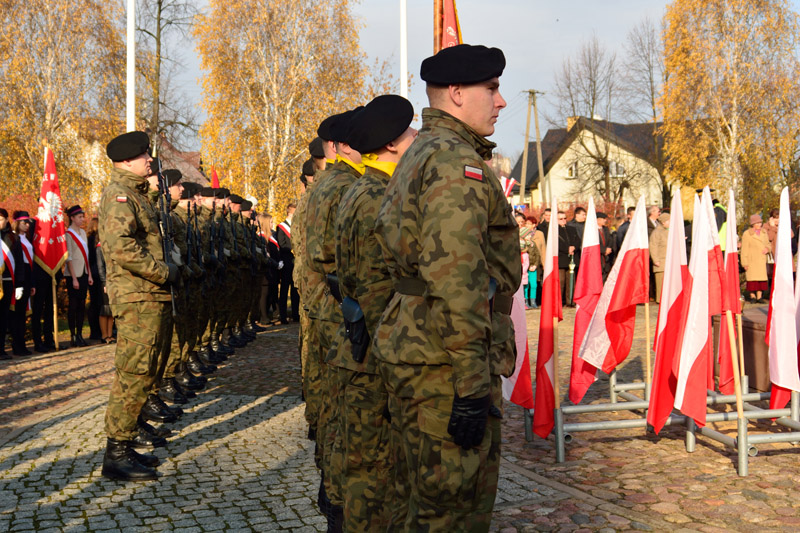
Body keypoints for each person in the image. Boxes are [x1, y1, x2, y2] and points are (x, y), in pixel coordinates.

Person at [373, 44, 520, 530]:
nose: (501, 102)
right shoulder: (456, 162)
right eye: (492, 89)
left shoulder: (422, 153)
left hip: (420, 350)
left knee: (417, 497)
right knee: (453, 508)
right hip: (444, 361)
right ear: (456, 93)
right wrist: (472, 386)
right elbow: (456, 280)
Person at [333, 94, 417, 530]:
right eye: (409, 132)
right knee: (375, 469)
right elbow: (376, 286)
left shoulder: (360, 188)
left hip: (361, 341)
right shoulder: (379, 197)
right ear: (389, 145)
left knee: (365, 463)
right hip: (377, 352)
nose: (417, 136)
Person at [99, 130, 179, 481]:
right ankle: (115, 452)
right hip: (136, 296)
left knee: (147, 370)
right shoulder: (119, 195)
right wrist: (162, 272)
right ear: (127, 160)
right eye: (145, 155)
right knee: (133, 373)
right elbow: (120, 247)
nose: (150, 160)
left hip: (149, 295)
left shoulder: (136, 194)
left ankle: (127, 442)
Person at [303, 107, 364, 531]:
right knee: (345, 409)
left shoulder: (336, 184)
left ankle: (334, 489)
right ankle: (338, 499)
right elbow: (331, 258)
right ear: (339, 147)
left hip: (329, 310)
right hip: (336, 311)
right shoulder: (340, 187)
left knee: (337, 404)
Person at [65, 205, 94, 347]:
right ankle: (72, 335)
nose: (82, 219)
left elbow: (86, 255)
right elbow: (68, 257)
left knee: (82, 305)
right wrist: (74, 278)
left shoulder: (83, 233)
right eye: (79, 217)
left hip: (84, 272)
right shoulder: (68, 234)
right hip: (72, 274)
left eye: (82, 216)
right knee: (73, 305)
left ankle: (80, 334)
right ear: (72, 218)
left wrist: (89, 274)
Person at [10, 211, 35, 355]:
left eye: (28, 223)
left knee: (23, 314)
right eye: (24, 222)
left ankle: (22, 344)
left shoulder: (27, 239)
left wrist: (32, 283)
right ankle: (16, 344)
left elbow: (30, 263)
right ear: (17, 223)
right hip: (18, 277)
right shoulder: (13, 238)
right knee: (17, 313)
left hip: (27, 276)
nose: (27, 225)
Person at [277, 202, 299, 324]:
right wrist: (294, 248)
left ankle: (296, 314)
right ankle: (283, 316)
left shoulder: (296, 226)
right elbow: (282, 244)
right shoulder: (281, 227)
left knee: (295, 290)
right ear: (290, 213)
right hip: (286, 262)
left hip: (295, 262)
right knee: (285, 290)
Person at [741, 213, 771, 303]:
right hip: (752, 260)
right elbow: (744, 249)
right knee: (752, 281)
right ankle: (752, 296)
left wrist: (767, 249)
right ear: (753, 224)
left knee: (761, 280)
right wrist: (744, 263)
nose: (759, 225)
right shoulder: (747, 234)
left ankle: (759, 297)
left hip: (761, 260)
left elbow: (768, 244)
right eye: (757, 223)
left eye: (760, 223)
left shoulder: (764, 232)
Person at [0, 207, 15, 360]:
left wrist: (20, 283)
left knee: (4, 316)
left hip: (8, 281)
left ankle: (2, 348)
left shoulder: (11, 238)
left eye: (2, 219)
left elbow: (18, 262)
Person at [87, 216, 103, 341]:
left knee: (97, 303)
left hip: (94, 272)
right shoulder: (93, 240)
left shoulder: (89, 239)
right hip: (95, 273)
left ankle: (97, 330)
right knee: (97, 303)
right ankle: (96, 330)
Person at [95, 239, 114, 343]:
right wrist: (104, 282)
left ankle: (110, 334)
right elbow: (100, 266)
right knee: (105, 308)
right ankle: (104, 335)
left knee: (111, 309)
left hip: (112, 280)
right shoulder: (99, 247)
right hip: (104, 282)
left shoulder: (110, 245)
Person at [649, 212, 670, 303]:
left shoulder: (669, 231)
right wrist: (656, 260)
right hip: (661, 262)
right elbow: (653, 246)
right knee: (660, 284)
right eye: (669, 221)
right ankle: (660, 300)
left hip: (669, 262)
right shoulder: (656, 232)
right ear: (663, 222)